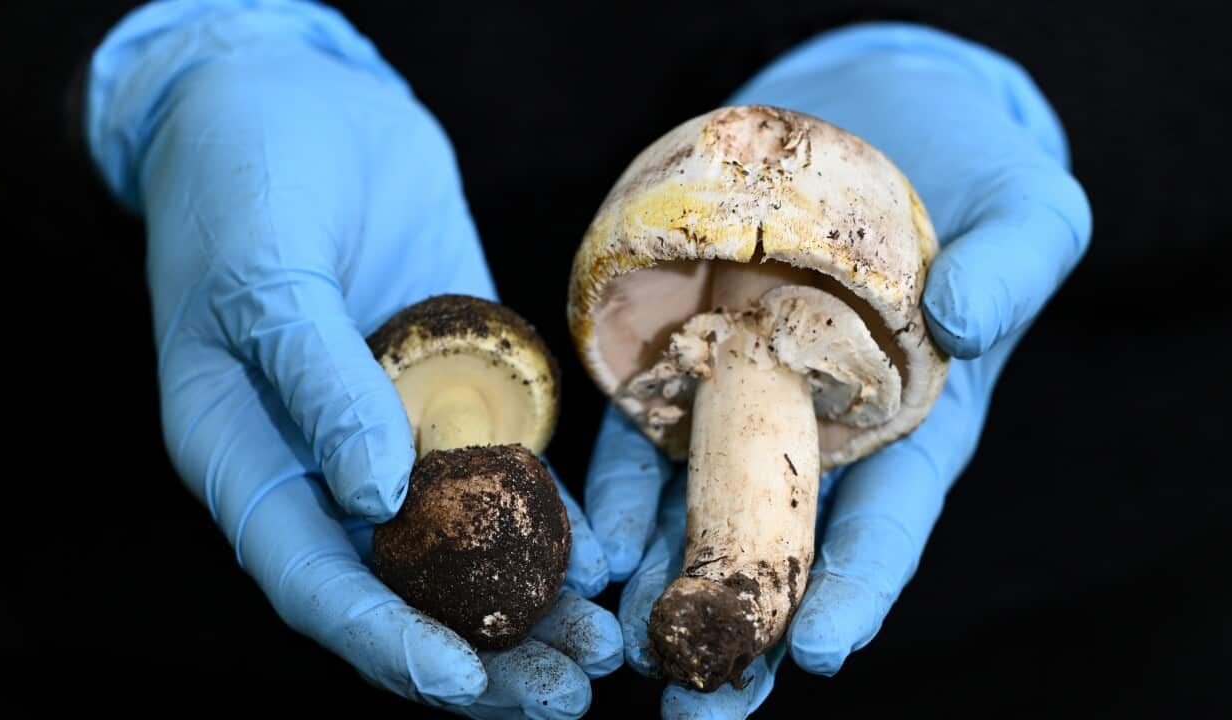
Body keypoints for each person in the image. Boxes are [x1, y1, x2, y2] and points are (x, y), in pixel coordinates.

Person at [84, 1, 1091, 718]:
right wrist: (176, 59)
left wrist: (967, 43)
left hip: (1074, 605)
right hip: (140, 612)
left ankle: (724, 601)